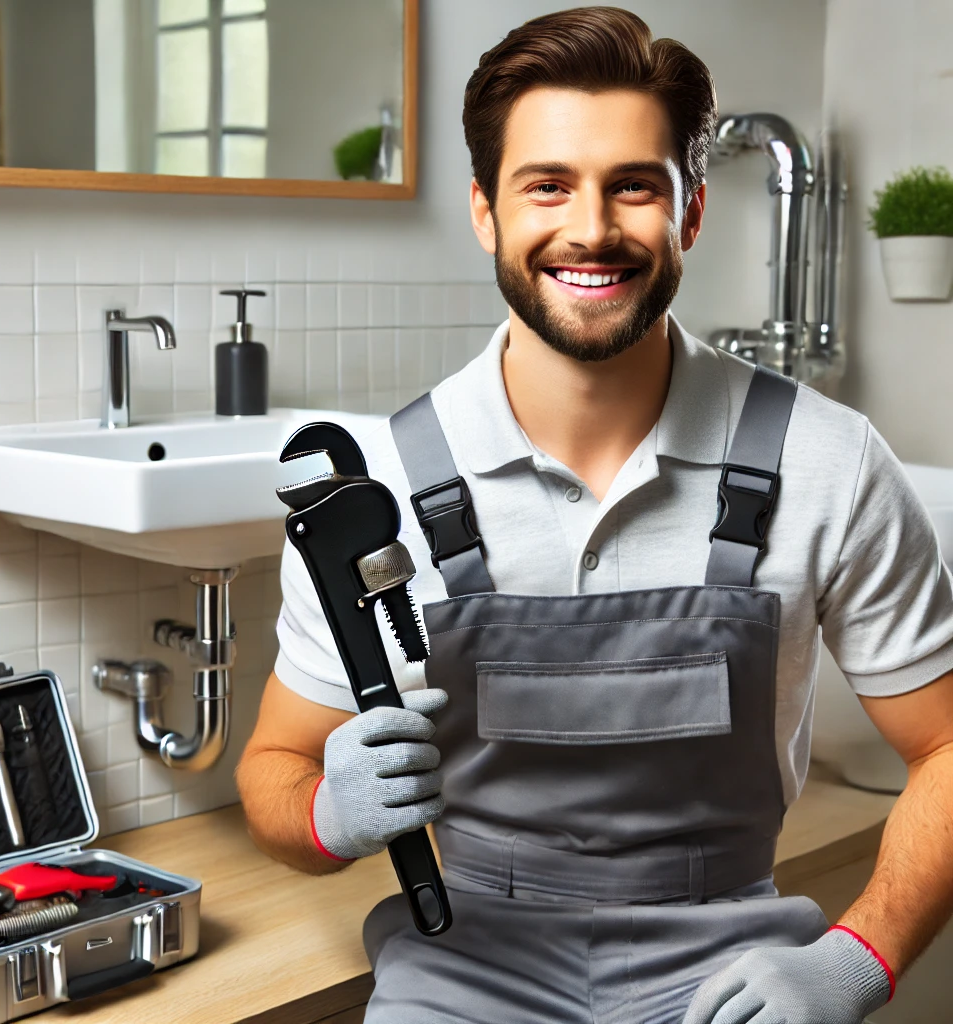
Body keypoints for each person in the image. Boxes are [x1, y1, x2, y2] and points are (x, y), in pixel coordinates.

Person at [237, 8, 953, 1022]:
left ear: (691, 210)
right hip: (461, 973)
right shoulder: (383, 484)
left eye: (632, 186)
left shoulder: (826, 458)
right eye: (547, 186)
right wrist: (320, 813)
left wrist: (855, 959)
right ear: (484, 210)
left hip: (729, 970)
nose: (591, 228)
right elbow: (272, 764)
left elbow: (944, 745)